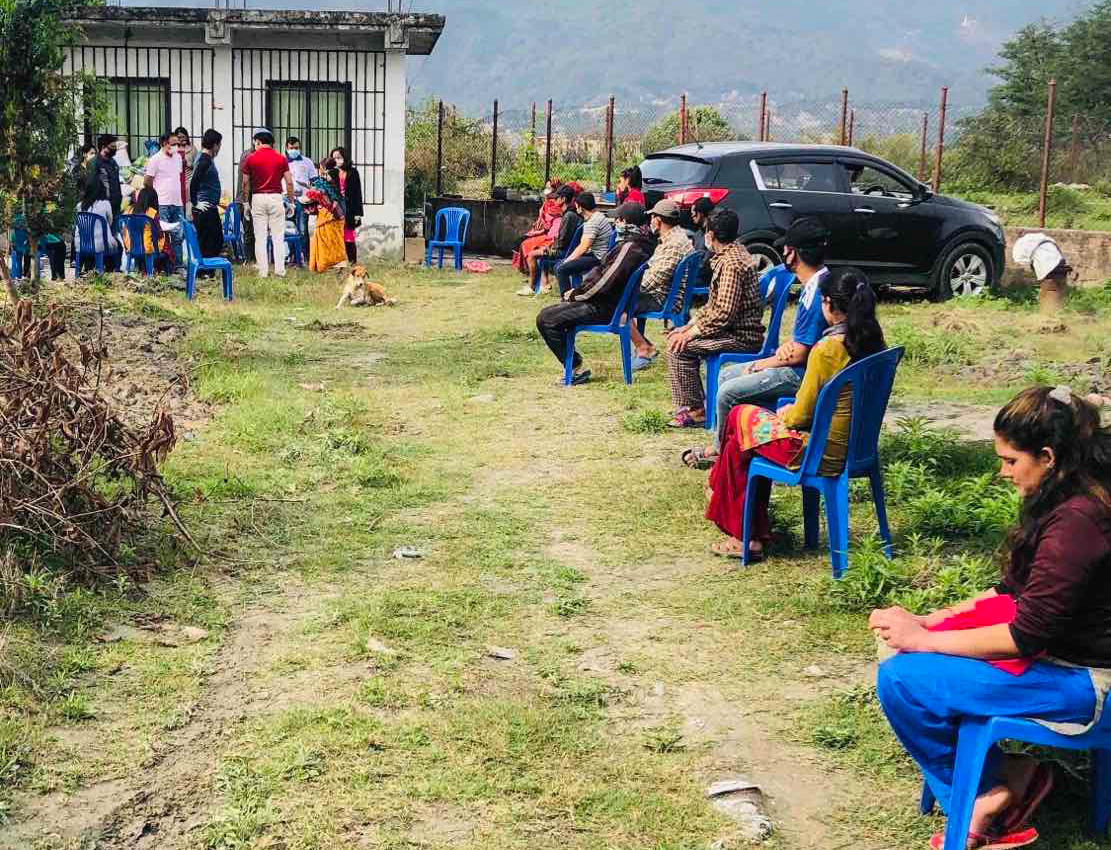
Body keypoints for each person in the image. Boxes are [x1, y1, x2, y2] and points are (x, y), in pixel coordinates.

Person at [871, 386, 1111, 850]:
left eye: (1009, 460)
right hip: (1060, 660)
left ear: (1046, 456)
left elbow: (1025, 635)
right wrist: (933, 618)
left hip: (1090, 681)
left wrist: (925, 640)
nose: (1002, 472)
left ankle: (989, 792)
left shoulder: (1079, 520)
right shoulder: (1066, 494)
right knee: (903, 655)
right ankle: (1011, 774)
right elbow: (1012, 590)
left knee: (903, 679)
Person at [704, 271, 885, 560]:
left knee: (740, 419)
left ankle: (744, 532)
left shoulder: (827, 349)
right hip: (855, 446)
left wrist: (785, 414)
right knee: (745, 427)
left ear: (828, 305)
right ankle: (745, 520)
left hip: (817, 451)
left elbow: (801, 414)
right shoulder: (873, 343)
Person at [682, 217, 832, 469]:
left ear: (791, 254)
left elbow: (800, 355)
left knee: (728, 391)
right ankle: (729, 443)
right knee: (728, 373)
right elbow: (801, 343)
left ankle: (721, 455)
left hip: (801, 375)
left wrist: (765, 363)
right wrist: (785, 350)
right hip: (800, 364)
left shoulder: (817, 294)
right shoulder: (817, 283)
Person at [665, 209, 764, 428]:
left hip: (740, 337)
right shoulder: (732, 254)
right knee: (678, 337)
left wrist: (690, 334)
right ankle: (697, 405)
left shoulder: (731, 264)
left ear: (711, 235)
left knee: (678, 348)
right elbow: (713, 306)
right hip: (731, 329)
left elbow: (723, 314)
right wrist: (689, 325)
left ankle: (696, 410)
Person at [535, 202, 653, 385]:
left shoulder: (631, 248)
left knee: (546, 319)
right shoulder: (633, 245)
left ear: (625, 222)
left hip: (604, 307)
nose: (616, 224)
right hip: (602, 301)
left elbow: (605, 281)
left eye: (618, 220)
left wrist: (576, 294)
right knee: (550, 313)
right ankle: (573, 364)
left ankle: (574, 367)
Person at [628, 199, 693, 370]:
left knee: (615, 305)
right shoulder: (677, 237)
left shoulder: (673, 244)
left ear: (659, 219)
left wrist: (626, 286)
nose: (651, 221)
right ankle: (643, 346)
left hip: (664, 299)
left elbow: (653, 279)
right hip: (668, 294)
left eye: (652, 217)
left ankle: (644, 348)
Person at [241, 128, 295, 278]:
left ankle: (263, 271)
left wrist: (246, 202)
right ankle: (279, 271)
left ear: (258, 142)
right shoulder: (281, 158)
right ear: (272, 143)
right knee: (278, 237)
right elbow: (289, 182)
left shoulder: (250, 158)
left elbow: (245, 183)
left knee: (260, 237)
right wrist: (291, 202)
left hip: (258, 197)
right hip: (276, 197)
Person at [518, 186, 582, 297]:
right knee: (539, 253)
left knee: (532, 255)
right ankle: (544, 285)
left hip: (564, 252)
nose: (555, 200)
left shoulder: (568, 216)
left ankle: (531, 287)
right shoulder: (570, 214)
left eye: (557, 198)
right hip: (565, 249)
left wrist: (550, 248)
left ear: (563, 199)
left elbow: (562, 241)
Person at [555, 191, 614, 295]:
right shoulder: (598, 216)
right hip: (600, 254)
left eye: (576, 204)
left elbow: (583, 247)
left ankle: (566, 299)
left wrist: (566, 261)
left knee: (561, 269)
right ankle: (575, 293)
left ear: (581, 207)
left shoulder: (593, 222)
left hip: (599, 258)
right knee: (566, 264)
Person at [144, 131, 184, 269]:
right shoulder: (155, 159)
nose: (176, 147)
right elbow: (147, 181)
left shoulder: (178, 158)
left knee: (178, 236)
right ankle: (165, 266)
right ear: (164, 144)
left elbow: (176, 177)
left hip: (177, 203)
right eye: (173, 144)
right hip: (162, 203)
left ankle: (178, 265)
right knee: (163, 236)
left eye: (177, 144)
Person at [512, 178, 564, 279]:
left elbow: (549, 225)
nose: (547, 190)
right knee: (520, 242)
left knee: (525, 243)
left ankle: (531, 275)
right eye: (546, 187)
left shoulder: (554, 205)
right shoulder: (548, 202)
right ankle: (529, 273)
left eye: (549, 188)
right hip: (544, 232)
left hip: (549, 235)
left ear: (556, 190)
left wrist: (538, 230)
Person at [189, 129, 224, 275]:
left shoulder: (204, 159)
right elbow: (194, 182)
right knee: (211, 240)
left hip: (208, 207)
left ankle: (206, 272)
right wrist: (195, 202)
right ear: (214, 145)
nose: (219, 148)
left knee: (213, 239)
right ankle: (205, 272)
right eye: (219, 145)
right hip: (206, 208)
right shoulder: (204, 159)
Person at [121, 187, 177, 274]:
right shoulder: (152, 213)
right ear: (154, 200)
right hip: (148, 248)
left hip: (130, 247)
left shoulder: (128, 210)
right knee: (166, 245)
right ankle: (165, 270)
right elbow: (158, 234)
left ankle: (140, 268)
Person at [72, 180, 120, 274]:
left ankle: (88, 268)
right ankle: (111, 270)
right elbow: (110, 222)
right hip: (101, 245)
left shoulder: (79, 205)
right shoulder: (105, 204)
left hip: (80, 244)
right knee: (117, 245)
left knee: (96, 243)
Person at [304, 169, 347, 273]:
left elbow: (336, 205)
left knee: (334, 242)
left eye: (327, 174)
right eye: (323, 173)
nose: (325, 176)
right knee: (324, 242)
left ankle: (335, 265)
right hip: (325, 217)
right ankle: (324, 265)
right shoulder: (322, 185)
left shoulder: (336, 188)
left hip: (333, 218)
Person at [328, 147, 363, 264]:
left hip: (349, 209)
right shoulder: (331, 173)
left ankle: (353, 263)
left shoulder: (353, 172)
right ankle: (337, 263)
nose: (336, 160)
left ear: (345, 158)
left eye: (339, 158)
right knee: (335, 238)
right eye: (334, 158)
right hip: (335, 210)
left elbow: (357, 193)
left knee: (349, 238)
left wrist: (358, 214)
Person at [88, 134, 123, 222]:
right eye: (112, 146)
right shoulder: (94, 163)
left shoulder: (113, 162)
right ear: (103, 147)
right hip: (102, 208)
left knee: (114, 234)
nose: (115, 149)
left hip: (116, 206)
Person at [174, 126, 195, 216]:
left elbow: (198, 166)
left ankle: (188, 226)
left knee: (189, 207)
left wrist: (187, 163)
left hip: (189, 181)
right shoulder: (172, 150)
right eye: (179, 137)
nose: (181, 139)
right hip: (176, 182)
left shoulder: (192, 149)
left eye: (183, 136)